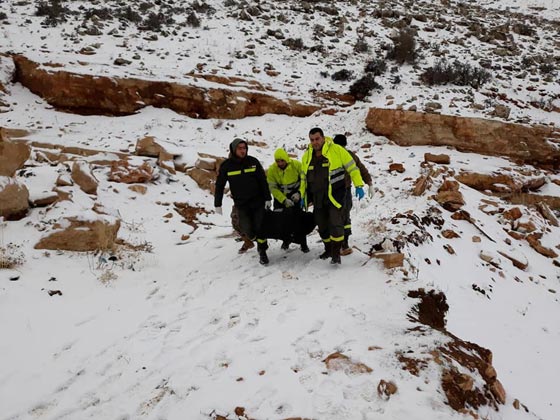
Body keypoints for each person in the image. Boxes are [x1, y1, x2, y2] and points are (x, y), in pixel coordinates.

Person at [300, 128, 365, 264]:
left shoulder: (337, 150)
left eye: (317, 139)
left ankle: (336, 254)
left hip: (335, 195)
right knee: (322, 225)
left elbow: (353, 168)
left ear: (323, 138)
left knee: (336, 224)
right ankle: (328, 249)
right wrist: (303, 196)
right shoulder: (307, 156)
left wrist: (359, 185)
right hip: (318, 198)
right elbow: (303, 178)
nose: (315, 142)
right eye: (312, 140)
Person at [215, 138, 272, 265]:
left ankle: (262, 251)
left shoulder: (253, 162)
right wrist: (217, 204)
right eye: (240, 148)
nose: (243, 151)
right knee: (247, 228)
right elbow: (219, 185)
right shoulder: (226, 166)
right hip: (242, 204)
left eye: (244, 148)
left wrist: (268, 198)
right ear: (233, 150)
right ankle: (255, 240)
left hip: (258, 201)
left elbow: (263, 181)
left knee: (260, 226)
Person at [333, 134, 373, 256]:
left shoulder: (348, 155)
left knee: (343, 216)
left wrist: (368, 183)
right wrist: (369, 183)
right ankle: (339, 243)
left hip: (342, 190)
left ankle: (343, 243)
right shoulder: (332, 155)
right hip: (335, 191)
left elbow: (360, 169)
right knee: (340, 216)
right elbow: (362, 169)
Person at [266, 148, 309, 252]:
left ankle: (303, 244)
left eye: (282, 160)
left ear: (286, 159)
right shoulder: (272, 170)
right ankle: (286, 240)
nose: (280, 163)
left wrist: (299, 193)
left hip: (295, 196)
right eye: (278, 161)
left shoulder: (297, 165)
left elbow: (304, 181)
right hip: (280, 197)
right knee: (280, 221)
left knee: (298, 220)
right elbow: (273, 188)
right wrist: (283, 200)